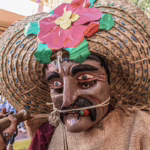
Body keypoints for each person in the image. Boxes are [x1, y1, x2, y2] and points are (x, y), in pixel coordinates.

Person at [0, 0, 149, 149]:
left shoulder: (141, 130)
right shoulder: (47, 134)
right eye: (57, 85)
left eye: (86, 81)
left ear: (111, 83)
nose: (67, 101)